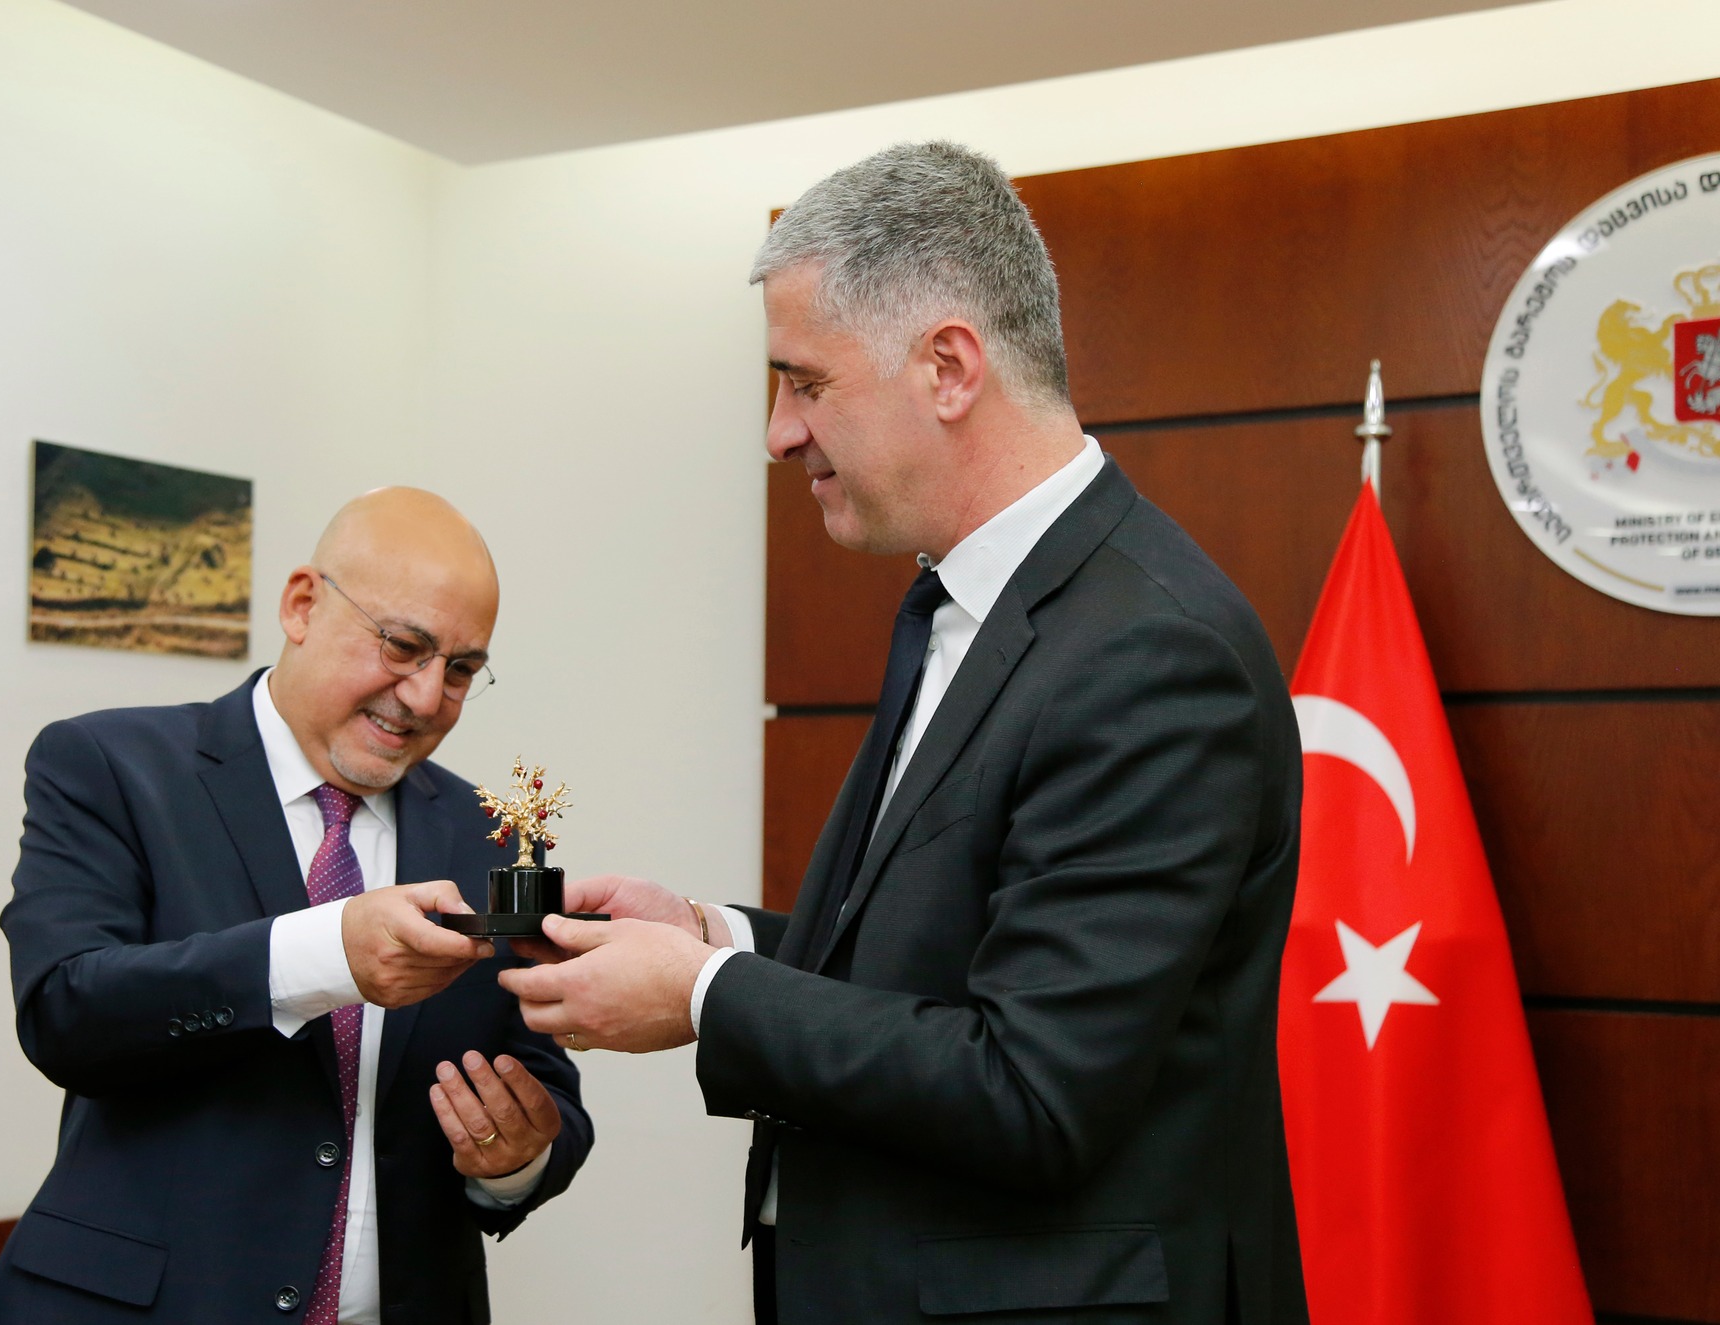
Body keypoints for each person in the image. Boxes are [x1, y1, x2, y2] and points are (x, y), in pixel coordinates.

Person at [502, 143, 1308, 1325]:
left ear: (946, 367)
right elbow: (940, 965)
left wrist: (708, 994)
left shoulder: (1151, 652)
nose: (778, 433)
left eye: (803, 383)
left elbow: (1031, 1085)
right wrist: (714, 935)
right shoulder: (962, 603)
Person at [0, 488, 591, 1325]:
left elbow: (544, 1082)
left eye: (458, 670)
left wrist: (515, 1161)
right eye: (403, 646)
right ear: (302, 604)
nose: (423, 697)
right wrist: (325, 955)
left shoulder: (492, 841)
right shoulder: (107, 764)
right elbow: (65, 1009)